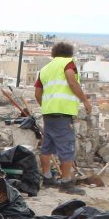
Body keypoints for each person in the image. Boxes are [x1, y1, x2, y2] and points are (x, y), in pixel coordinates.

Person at [34, 42, 92, 194]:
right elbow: (71, 81)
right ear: (69, 53)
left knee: (47, 146)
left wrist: (47, 106)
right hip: (63, 112)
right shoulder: (68, 63)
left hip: (48, 112)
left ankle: (47, 178)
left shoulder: (45, 69)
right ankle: (66, 182)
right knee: (66, 147)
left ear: (54, 53)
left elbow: (37, 93)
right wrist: (85, 100)